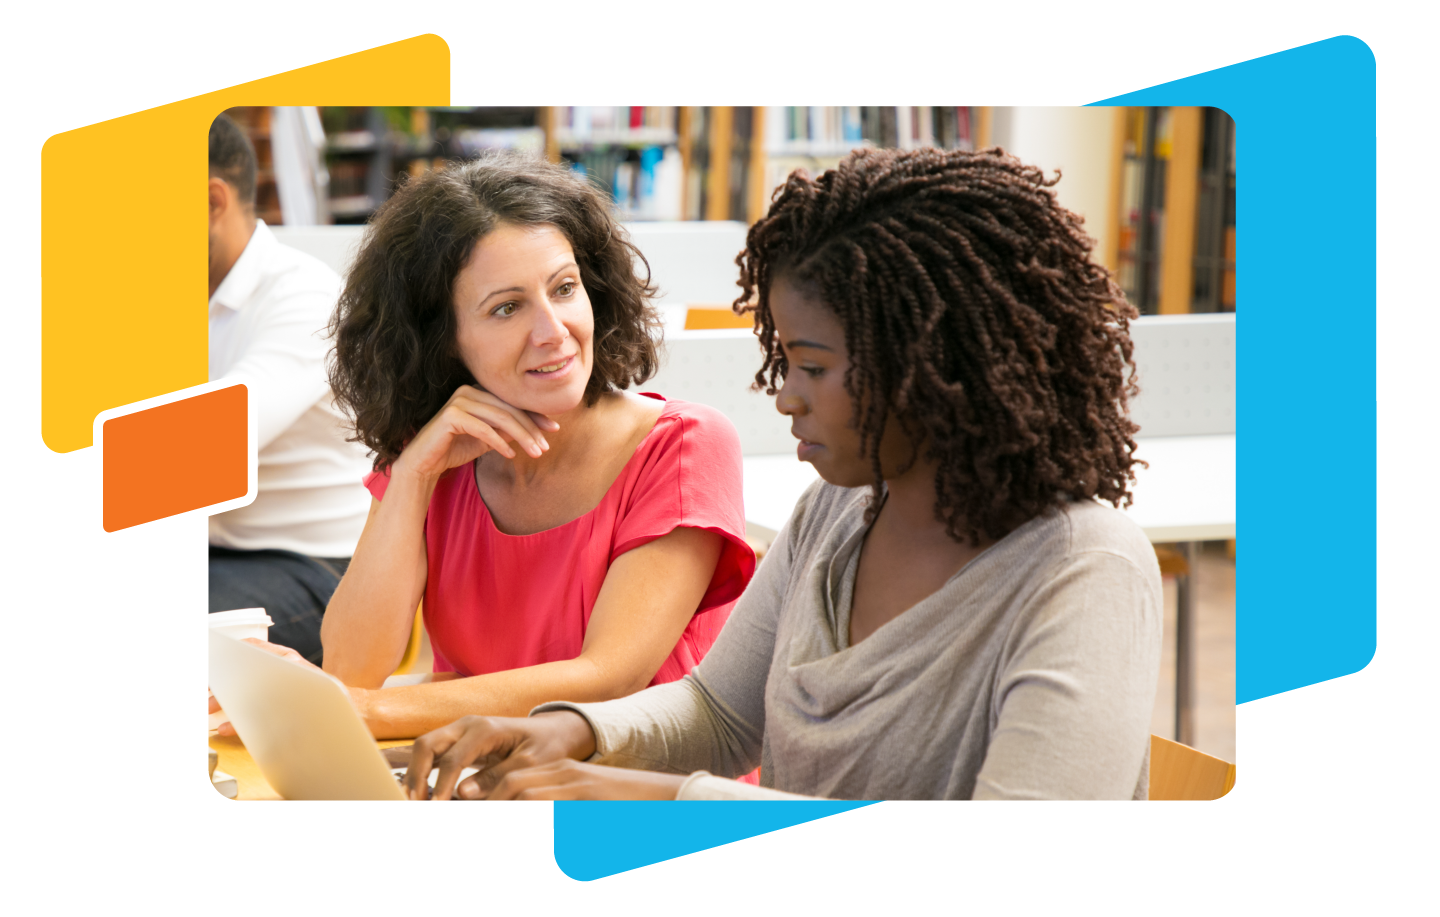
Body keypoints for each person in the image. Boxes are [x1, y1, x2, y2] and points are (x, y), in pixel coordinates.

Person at [401, 146, 1166, 802]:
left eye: (813, 366)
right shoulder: (839, 510)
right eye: (785, 359)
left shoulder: (1083, 569)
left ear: (932, 368)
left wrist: (663, 797)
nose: (786, 394)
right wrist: (566, 730)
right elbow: (721, 713)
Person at [213, 151, 757, 748]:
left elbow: (608, 680)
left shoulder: (681, 446)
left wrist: (363, 711)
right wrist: (415, 473)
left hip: (631, 795)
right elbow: (352, 665)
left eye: (565, 288)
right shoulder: (433, 454)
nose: (553, 330)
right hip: (474, 776)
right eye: (506, 307)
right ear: (443, 340)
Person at [206, 113, 374, 663]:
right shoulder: (169, 299)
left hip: (315, 568)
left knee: (133, 629)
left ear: (211, 203)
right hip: (211, 555)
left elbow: (207, 444)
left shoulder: (304, 298)